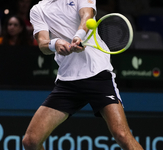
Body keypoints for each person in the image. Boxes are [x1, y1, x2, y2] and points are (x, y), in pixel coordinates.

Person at [22, 0, 144, 150]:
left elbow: (87, 16)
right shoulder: (38, 9)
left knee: (122, 135)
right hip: (67, 81)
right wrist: (56, 44)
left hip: (97, 74)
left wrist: (78, 36)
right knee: (30, 141)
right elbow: (42, 43)